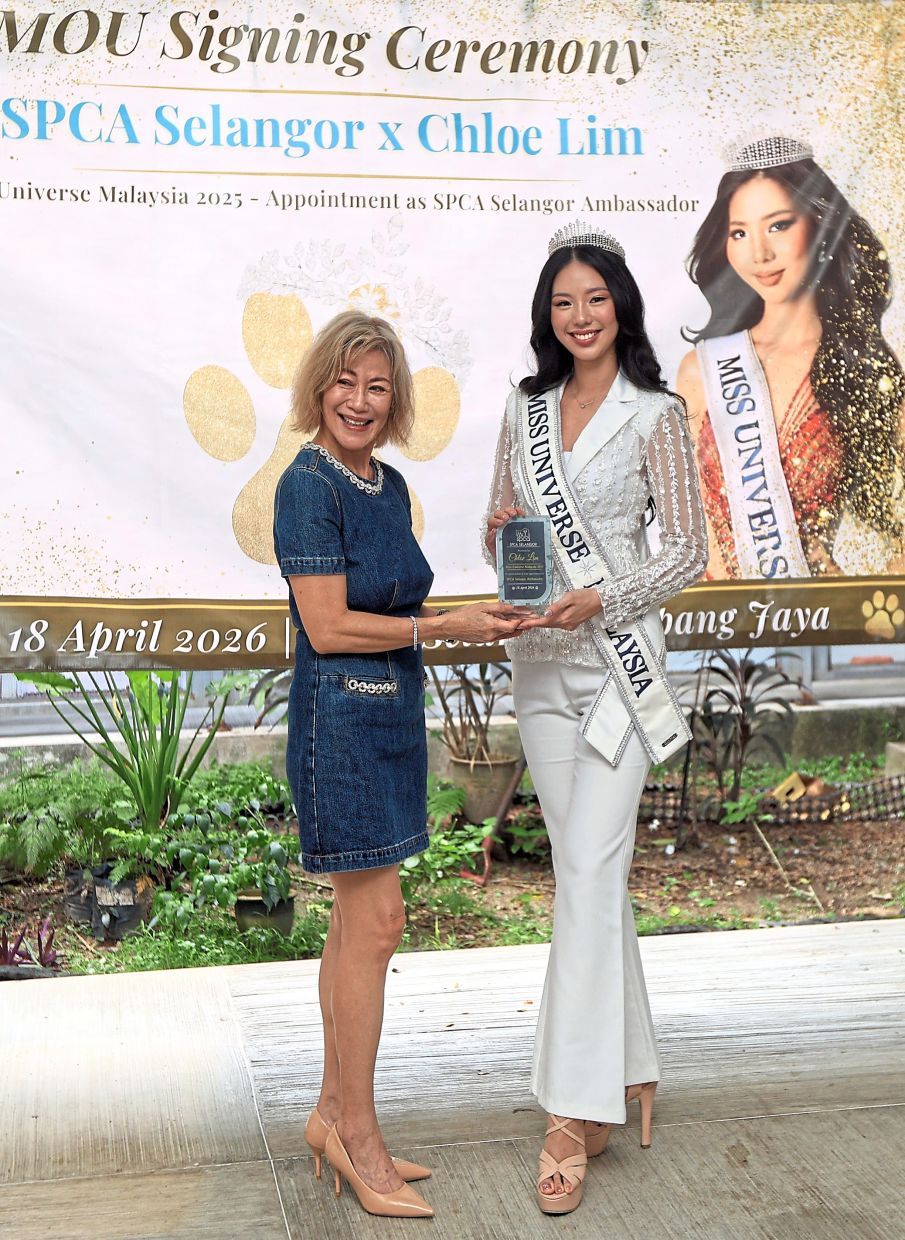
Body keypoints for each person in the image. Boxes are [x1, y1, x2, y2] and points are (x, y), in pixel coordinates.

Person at [274, 310, 524, 1220]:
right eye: (345, 383)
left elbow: (395, 603)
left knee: (357, 928)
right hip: (337, 724)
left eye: (378, 387)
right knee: (376, 924)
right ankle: (359, 1138)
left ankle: (331, 1116)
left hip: (388, 720)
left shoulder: (384, 483)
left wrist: (476, 614)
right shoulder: (308, 485)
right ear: (318, 386)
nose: (360, 401)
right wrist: (439, 629)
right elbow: (331, 626)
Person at [483, 221, 707, 1215]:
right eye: (560, 302)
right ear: (548, 316)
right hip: (539, 667)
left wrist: (601, 599)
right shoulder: (521, 407)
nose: (578, 316)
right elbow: (504, 519)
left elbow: (687, 551)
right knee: (589, 874)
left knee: (585, 868)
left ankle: (572, 1113)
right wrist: (511, 558)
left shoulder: (655, 413)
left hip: (619, 669)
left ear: (620, 305)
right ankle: (634, 1065)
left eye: (593, 299)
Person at [676, 135, 905, 579]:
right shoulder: (701, 371)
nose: (758, 253)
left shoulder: (864, 369)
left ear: (820, 227)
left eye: (778, 225)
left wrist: (870, 613)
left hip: (813, 618)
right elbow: (681, 526)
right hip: (711, 630)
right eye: (739, 232)